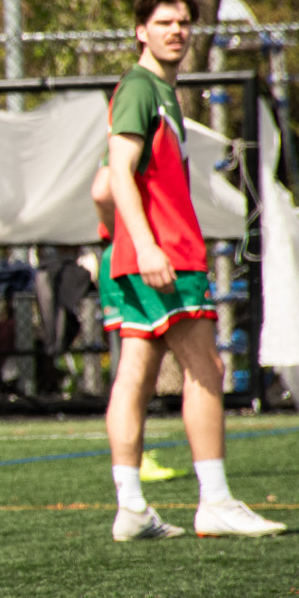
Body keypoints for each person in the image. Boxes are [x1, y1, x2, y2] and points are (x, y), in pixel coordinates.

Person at [100, 0, 283, 541]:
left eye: (182, 23)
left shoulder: (155, 92)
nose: (175, 32)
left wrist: (121, 242)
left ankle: (131, 507)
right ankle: (217, 502)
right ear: (140, 31)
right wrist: (149, 243)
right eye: (163, 23)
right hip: (165, 255)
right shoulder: (140, 88)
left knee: (136, 374)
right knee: (206, 369)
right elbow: (118, 170)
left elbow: (100, 188)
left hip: (138, 255)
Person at [91, 164, 181, 485]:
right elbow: (102, 190)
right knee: (135, 370)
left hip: (125, 255)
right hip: (130, 257)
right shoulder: (129, 129)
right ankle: (133, 459)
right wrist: (126, 236)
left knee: (135, 369)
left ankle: (135, 458)